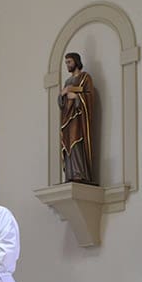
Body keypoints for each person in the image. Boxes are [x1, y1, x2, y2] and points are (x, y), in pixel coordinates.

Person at [58, 52, 94, 184]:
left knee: (76, 143)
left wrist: (77, 97)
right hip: (67, 119)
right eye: (66, 62)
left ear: (76, 62)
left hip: (78, 117)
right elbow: (61, 102)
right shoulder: (67, 82)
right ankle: (70, 173)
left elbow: (89, 95)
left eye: (69, 62)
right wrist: (62, 94)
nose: (67, 65)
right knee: (67, 144)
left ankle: (79, 172)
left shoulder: (85, 78)